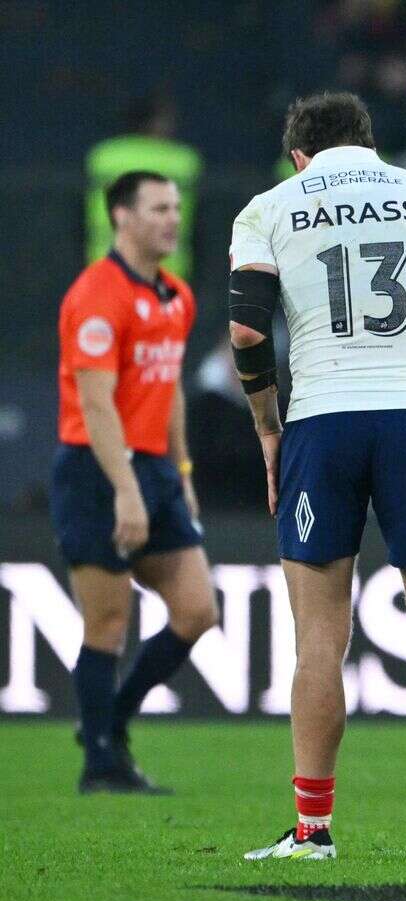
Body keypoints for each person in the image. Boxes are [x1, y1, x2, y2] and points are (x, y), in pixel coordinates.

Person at [231, 92, 406, 860]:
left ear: (300, 157)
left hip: (320, 421)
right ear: (371, 143)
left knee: (318, 641)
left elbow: (250, 329)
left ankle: (314, 829)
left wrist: (267, 427)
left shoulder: (268, 208)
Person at [54, 170, 218, 794]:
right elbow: (96, 406)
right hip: (97, 469)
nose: (173, 219)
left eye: (176, 207)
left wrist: (180, 470)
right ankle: (101, 764)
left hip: (154, 467)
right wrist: (124, 488)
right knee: (107, 623)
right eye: (158, 208)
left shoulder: (176, 294)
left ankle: (110, 718)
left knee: (198, 610)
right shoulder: (97, 296)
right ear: (121, 217)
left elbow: (168, 384)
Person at [86, 96, 202, 279]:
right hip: (166, 268)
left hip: (107, 263)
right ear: (157, 122)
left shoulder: (102, 157)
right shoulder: (183, 160)